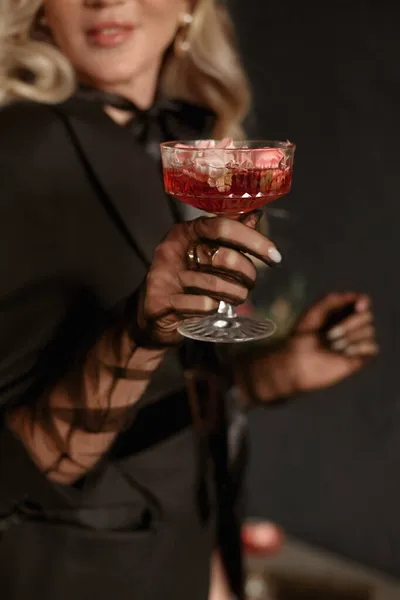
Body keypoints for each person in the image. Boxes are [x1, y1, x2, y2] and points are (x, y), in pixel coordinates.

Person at [0, 1, 377, 599]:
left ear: (190, 8)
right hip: (79, 576)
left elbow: (156, 397)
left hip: (187, 555)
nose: (105, 1)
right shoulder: (19, 148)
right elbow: (24, 460)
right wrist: (143, 328)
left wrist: (271, 375)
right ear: (39, 10)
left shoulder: (181, 147)